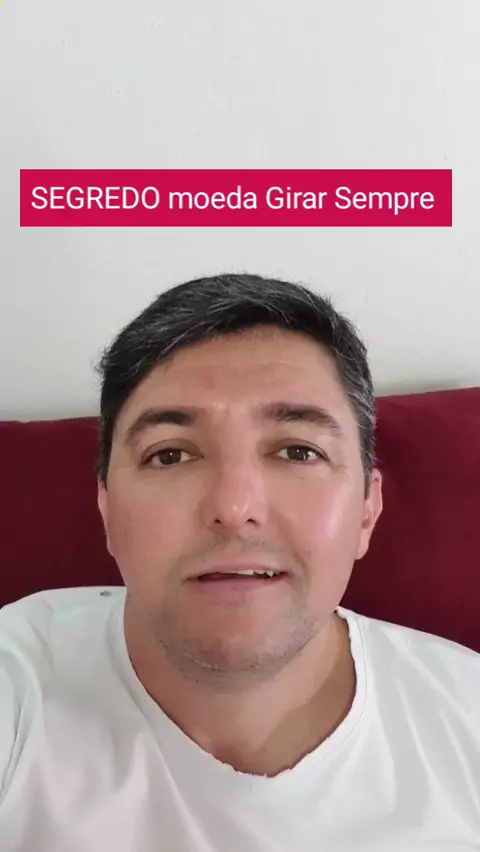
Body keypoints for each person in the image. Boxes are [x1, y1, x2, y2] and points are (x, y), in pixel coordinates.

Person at [1, 273, 479, 851]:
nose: (233, 508)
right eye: (169, 455)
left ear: (366, 511)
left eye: (298, 451)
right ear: (105, 509)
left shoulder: (465, 716)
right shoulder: (18, 684)